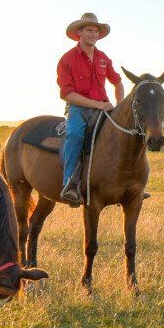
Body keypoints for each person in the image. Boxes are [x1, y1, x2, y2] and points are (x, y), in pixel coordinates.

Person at [56, 11, 124, 206]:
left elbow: (117, 83)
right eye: (89, 30)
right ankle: (69, 183)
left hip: (103, 108)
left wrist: (118, 107)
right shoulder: (67, 59)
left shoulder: (103, 58)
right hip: (78, 109)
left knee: (122, 135)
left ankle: (124, 184)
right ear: (79, 33)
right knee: (75, 135)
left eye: (96, 31)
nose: (93, 34)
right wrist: (98, 104)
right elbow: (67, 94)